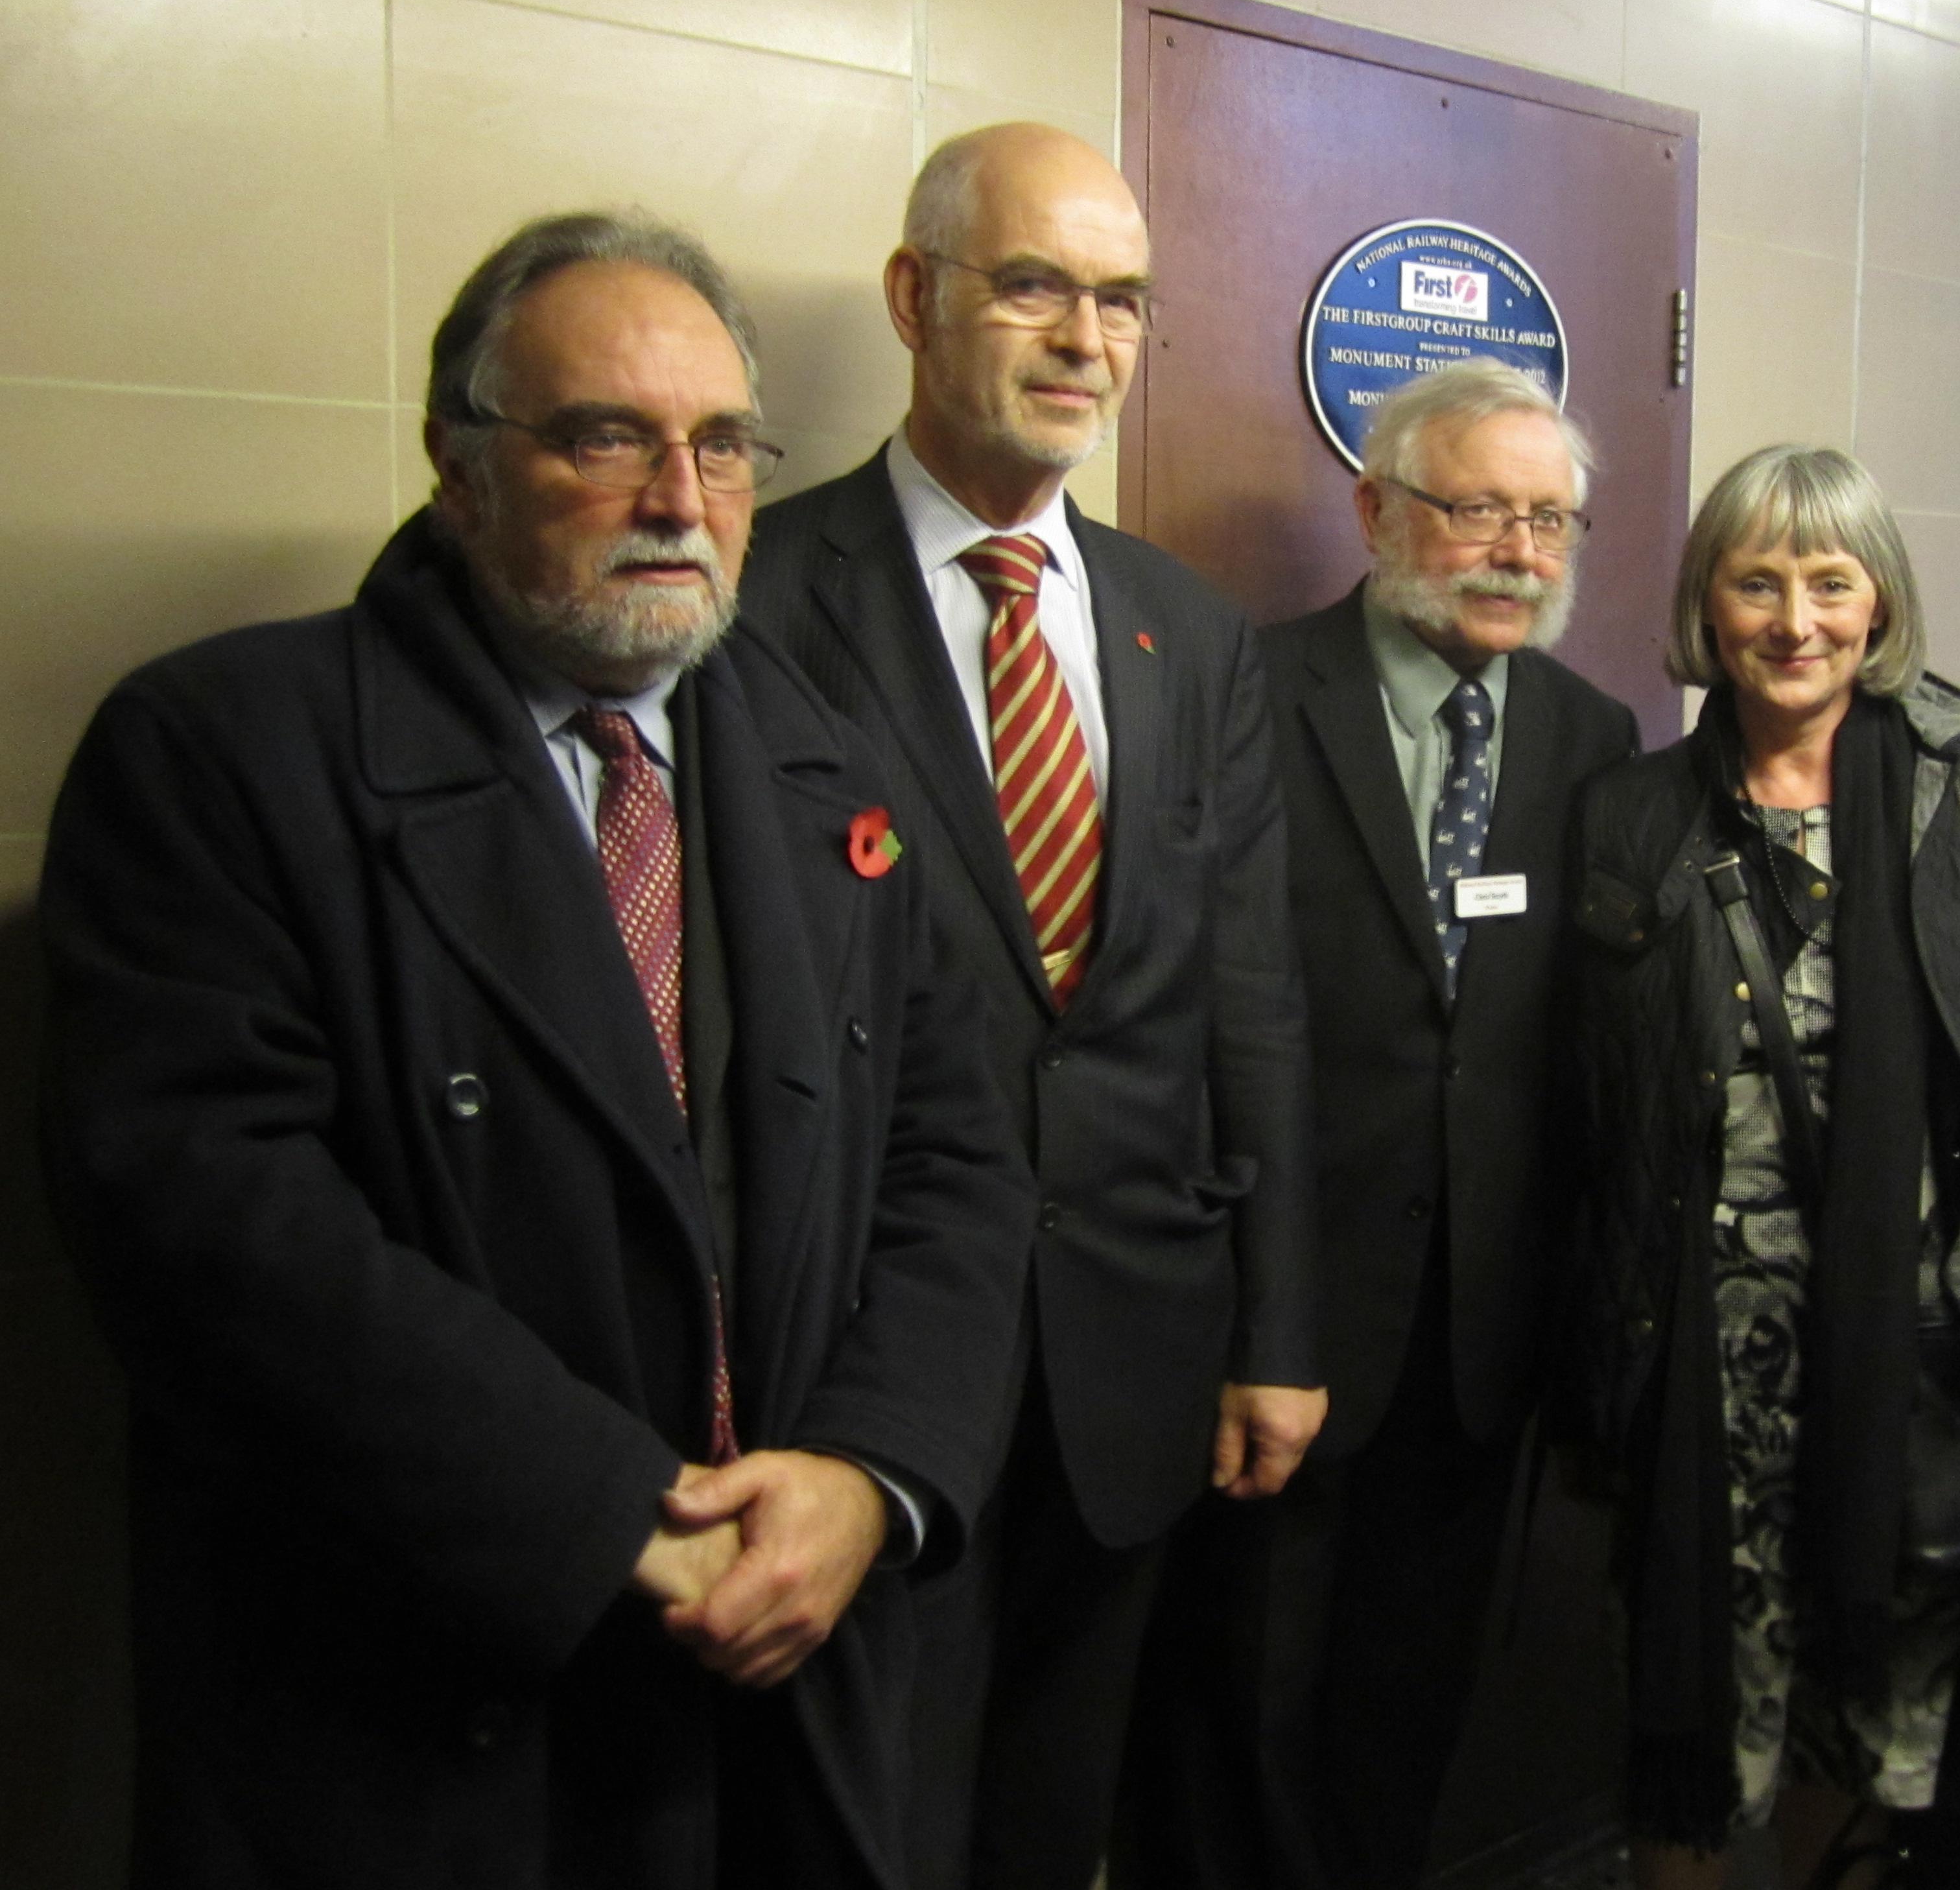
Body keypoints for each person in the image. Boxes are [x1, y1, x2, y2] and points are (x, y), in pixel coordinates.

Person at [38, 212, 1040, 1889]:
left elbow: (959, 1161)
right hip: (429, 1697)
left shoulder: (829, 772)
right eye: (605, 438)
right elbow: (214, 1231)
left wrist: (873, 1477)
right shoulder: (222, 754)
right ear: (458, 465)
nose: (680, 501)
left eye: (722, 445)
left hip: (794, 1677)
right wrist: (617, 1520)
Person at [742, 122, 1320, 1890]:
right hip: (856, 1371)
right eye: (1038, 287)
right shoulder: (752, 595)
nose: (1088, 338)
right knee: (861, 1837)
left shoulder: (1185, 631)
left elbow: (1250, 997)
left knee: (1055, 1823)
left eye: (1126, 299)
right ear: (918, 299)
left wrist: (1276, 1325)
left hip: (1133, 1368)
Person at [1116, 360, 1640, 1889]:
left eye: (1551, 520)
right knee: (1239, 1703)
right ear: (1376, 508)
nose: (1520, 553)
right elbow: (1188, 1021)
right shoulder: (1248, 695)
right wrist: (1242, 1320)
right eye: (1479, 508)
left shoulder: (1590, 735)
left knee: (1410, 1704)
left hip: (1480, 1339)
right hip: (1278, 1317)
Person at [1563, 445, 1960, 1889]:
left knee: (1864, 1723)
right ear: (1708, 607)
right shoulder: (1631, 815)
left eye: (1832, 582)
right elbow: (1585, 1105)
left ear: (1878, 605)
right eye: (1759, 582)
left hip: (1899, 1366)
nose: (1797, 620)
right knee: (1691, 1710)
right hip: (1695, 1359)